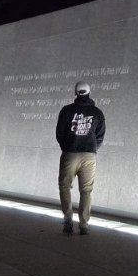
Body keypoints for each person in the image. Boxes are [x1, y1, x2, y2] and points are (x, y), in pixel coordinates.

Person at [55, 81, 106, 235]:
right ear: (89, 93)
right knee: (86, 191)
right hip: (89, 156)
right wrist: (91, 148)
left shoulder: (66, 110)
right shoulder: (97, 112)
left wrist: (67, 146)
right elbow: (100, 136)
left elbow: (59, 133)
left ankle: (68, 220)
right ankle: (83, 224)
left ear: (76, 93)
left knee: (64, 186)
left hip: (70, 154)